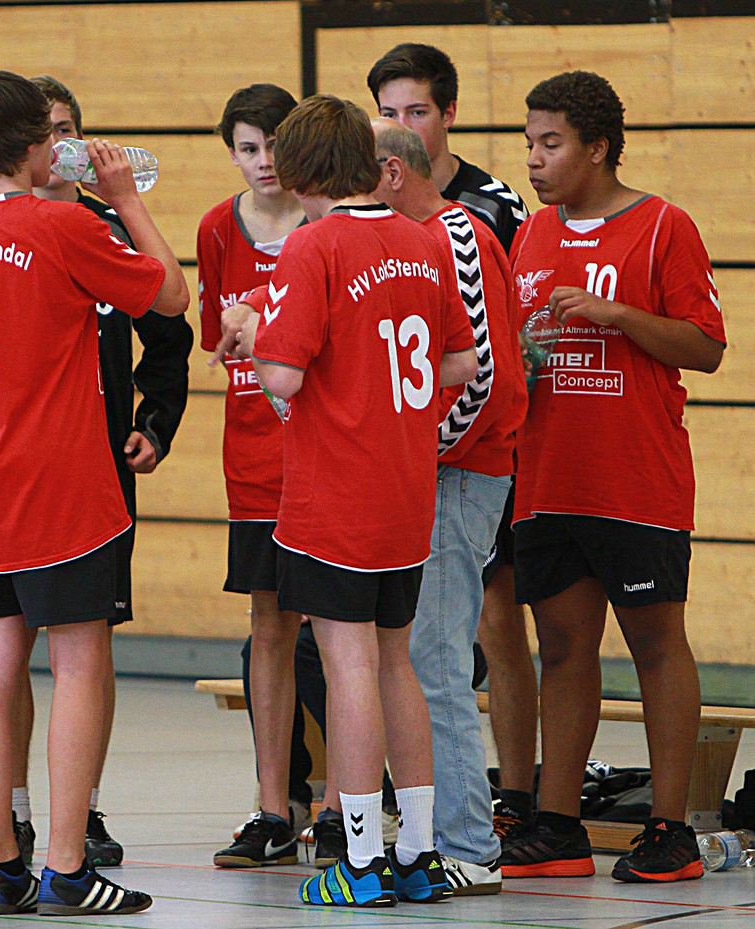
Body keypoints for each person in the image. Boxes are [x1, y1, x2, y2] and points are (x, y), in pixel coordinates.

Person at [0, 70, 188, 916]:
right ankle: (67, 867)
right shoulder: (63, 222)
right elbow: (170, 295)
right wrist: (124, 199)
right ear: (35, 144)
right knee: (79, 662)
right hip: (62, 485)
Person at [229, 93, 477, 907]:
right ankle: (418, 852)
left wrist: (253, 332)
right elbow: (458, 363)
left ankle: (362, 859)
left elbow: (283, 375)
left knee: (348, 667)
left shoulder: (313, 244)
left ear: (300, 168)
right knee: (396, 662)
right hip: (405, 491)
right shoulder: (420, 237)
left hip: (334, 497)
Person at [499, 70, 724, 884]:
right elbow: (517, 347)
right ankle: (558, 825)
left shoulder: (662, 226)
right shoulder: (529, 234)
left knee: (656, 647)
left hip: (633, 481)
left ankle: (670, 829)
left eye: (550, 143)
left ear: (596, 148)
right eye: (529, 143)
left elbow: (704, 346)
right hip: (546, 478)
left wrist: (617, 315)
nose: (534, 159)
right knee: (561, 648)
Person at [367, 41, 537, 837]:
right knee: (419, 658)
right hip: (435, 470)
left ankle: (466, 840)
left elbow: (482, 374)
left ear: (391, 173)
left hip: (460, 471)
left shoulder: (457, 233)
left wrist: (419, 452)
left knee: (435, 661)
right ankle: (439, 831)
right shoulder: (412, 238)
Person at [195, 84, 310, 870]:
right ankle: (274, 807)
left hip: (323, 459)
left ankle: (336, 802)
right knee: (268, 627)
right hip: (252, 463)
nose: (263, 160)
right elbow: (218, 337)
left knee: (337, 634)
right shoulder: (215, 228)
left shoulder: (326, 223)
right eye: (247, 147)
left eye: (273, 143)